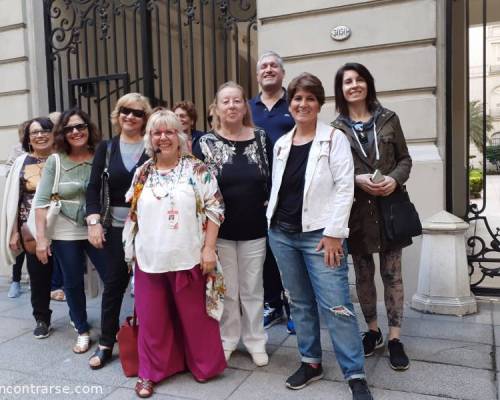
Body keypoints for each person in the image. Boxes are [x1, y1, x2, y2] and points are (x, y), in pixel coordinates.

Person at [267, 73, 373, 400]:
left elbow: (345, 187)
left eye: (310, 98)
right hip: (282, 234)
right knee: (299, 303)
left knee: (337, 305)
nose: (303, 104)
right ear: (290, 104)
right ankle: (311, 362)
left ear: (319, 103)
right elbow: (279, 188)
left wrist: (334, 234)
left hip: (321, 237)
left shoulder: (334, 138)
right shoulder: (283, 143)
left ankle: (355, 374)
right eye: (297, 98)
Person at [123, 109, 226, 398]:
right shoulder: (143, 172)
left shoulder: (197, 170)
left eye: (169, 131)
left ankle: (204, 366)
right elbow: (133, 216)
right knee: (152, 320)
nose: (163, 137)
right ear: (150, 138)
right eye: (157, 132)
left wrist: (208, 249)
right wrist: (131, 254)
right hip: (150, 259)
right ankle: (149, 373)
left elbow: (215, 209)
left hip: (188, 256)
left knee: (195, 318)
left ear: (179, 136)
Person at [332, 62, 412, 371]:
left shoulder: (389, 119)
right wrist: (355, 179)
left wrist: (395, 179)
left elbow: (405, 159)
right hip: (356, 212)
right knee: (363, 275)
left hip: (389, 207)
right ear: (341, 90)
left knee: (392, 274)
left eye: (359, 79)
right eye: (347, 81)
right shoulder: (336, 129)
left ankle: (394, 338)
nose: (354, 85)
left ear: (368, 84)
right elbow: (333, 171)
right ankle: (373, 331)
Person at [193, 81, 271, 367]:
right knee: (226, 290)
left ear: (244, 106)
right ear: (216, 108)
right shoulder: (204, 143)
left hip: (254, 229)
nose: (232, 106)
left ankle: (255, 341)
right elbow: (198, 188)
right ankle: (228, 340)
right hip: (219, 232)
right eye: (226, 101)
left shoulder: (262, 138)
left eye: (237, 100)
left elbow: (272, 178)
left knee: (253, 288)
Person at [85, 93, 151, 369]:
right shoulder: (106, 148)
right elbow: (93, 188)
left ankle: (152, 343)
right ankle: (106, 343)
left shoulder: (152, 146)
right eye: (125, 110)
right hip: (114, 229)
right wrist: (93, 222)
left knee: (151, 287)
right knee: (114, 286)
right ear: (117, 113)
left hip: (149, 229)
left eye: (137, 113)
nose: (130, 116)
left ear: (144, 118)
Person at [33, 108, 107, 354]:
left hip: (97, 227)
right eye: (69, 128)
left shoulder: (101, 155)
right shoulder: (55, 160)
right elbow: (41, 202)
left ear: (89, 128)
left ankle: (109, 330)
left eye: (81, 126)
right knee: (73, 283)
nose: (76, 132)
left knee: (113, 278)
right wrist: (42, 239)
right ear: (62, 134)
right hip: (65, 230)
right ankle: (82, 329)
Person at [249, 51, 296, 333]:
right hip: (255, 192)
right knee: (263, 251)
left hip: (289, 190)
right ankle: (272, 304)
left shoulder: (295, 103)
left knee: (286, 250)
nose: (268, 69)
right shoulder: (247, 107)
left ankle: (294, 306)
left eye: (274, 66)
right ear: (257, 75)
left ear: (282, 73)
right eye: (263, 66)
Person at [0, 117, 55, 338]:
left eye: (45, 131)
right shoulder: (21, 162)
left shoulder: (62, 159)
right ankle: (42, 318)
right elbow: (14, 198)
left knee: (70, 275)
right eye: (34, 133)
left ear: (53, 134)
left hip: (62, 226)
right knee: (39, 274)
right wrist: (14, 232)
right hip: (30, 229)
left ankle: (76, 316)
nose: (40, 135)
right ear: (28, 138)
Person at [5, 120, 29, 298]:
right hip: (21, 205)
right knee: (18, 245)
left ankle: (53, 284)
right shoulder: (17, 149)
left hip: (40, 206)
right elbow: (8, 169)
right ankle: (16, 281)